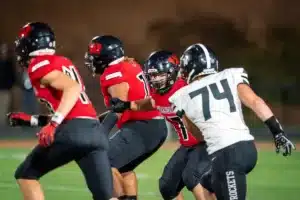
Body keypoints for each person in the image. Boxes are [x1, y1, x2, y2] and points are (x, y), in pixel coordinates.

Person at [167, 43, 295, 200]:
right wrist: (277, 132)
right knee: (207, 181)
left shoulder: (181, 96)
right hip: (248, 149)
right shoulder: (231, 75)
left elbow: (198, 136)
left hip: (226, 155)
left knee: (214, 179)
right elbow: (255, 101)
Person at [9, 22, 116, 200]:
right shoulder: (63, 61)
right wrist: (34, 121)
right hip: (95, 131)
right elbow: (74, 109)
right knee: (105, 197)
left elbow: (72, 88)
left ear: (30, 44)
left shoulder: (38, 64)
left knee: (26, 174)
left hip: (73, 132)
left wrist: (54, 123)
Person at [109, 50, 215, 200]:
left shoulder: (187, 88)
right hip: (188, 146)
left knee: (194, 179)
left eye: (159, 75)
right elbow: (148, 103)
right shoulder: (160, 94)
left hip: (206, 143)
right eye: (152, 75)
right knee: (167, 187)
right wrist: (126, 104)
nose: (155, 79)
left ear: (172, 72)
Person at [84, 35, 168, 200]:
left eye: (94, 56)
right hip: (153, 126)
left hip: (142, 126)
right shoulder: (128, 65)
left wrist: (100, 134)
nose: (92, 60)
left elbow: (119, 108)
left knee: (102, 162)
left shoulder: (113, 72)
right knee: (123, 168)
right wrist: (96, 121)